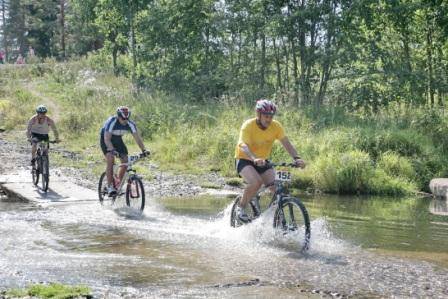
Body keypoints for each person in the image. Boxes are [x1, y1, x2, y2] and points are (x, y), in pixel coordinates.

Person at [234, 99, 306, 222]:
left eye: (271, 116)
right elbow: (243, 145)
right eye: (266, 116)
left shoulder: (276, 126)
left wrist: (297, 158)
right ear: (258, 114)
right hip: (245, 159)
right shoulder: (248, 125)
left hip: (263, 161)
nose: (269, 119)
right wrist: (254, 158)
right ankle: (240, 208)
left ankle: (273, 215)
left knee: (277, 187)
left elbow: (286, 143)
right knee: (256, 182)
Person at [100, 106, 149, 196]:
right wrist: (112, 150)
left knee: (125, 160)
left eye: (127, 118)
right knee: (110, 159)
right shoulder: (112, 121)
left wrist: (144, 150)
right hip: (106, 139)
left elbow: (137, 138)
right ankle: (110, 186)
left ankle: (118, 184)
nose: (125, 120)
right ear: (118, 116)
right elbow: (107, 139)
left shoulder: (130, 124)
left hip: (117, 139)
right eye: (123, 118)